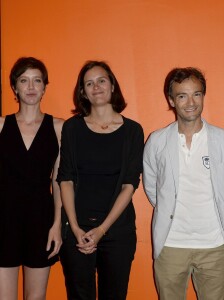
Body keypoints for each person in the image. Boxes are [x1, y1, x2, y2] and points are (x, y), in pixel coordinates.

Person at [143, 67, 224, 300]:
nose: (190, 102)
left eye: (196, 94)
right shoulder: (157, 141)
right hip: (171, 245)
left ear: (203, 96)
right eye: (182, 95)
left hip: (214, 245)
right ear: (171, 100)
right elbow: (152, 187)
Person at [57, 60, 144, 300]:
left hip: (117, 231)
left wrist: (102, 230)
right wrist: (75, 228)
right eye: (89, 83)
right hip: (77, 230)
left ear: (112, 85)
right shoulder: (72, 128)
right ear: (83, 92)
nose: (96, 87)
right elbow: (65, 179)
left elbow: (130, 184)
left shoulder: (133, 131)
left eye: (101, 80)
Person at [0, 57, 63, 300]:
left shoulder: (59, 127)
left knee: (35, 297)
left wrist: (57, 225)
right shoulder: (2, 125)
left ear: (45, 87)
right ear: (14, 87)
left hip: (41, 220)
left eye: (37, 80)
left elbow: (59, 181)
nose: (31, 87)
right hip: (4, 218)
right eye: (24, 81)